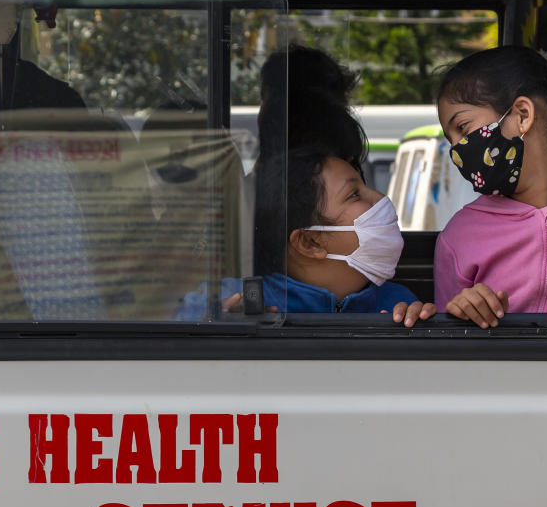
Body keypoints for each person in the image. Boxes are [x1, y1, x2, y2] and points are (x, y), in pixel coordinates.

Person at [176, 88, 435, 327]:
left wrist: (417, 325)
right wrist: (210, 327)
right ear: (309, 242)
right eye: (354, 194)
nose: (380, 198)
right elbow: (171, 349)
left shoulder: (398, 303)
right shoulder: (224, 298)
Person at [433, 45, 547, 327]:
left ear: (522, 115)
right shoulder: (458, 236)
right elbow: (449, 343)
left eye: (463, 128)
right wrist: (463, 312)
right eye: (451, 140)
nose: (457, 151)